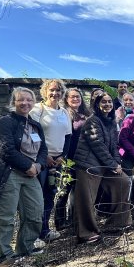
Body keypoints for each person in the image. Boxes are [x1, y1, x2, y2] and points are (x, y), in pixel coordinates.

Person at [0, 87, 48, 266]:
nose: (25, 103)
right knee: (5, 217)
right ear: (13, 102)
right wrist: (27, 166)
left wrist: (38, 165)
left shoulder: (35, 125)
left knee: (35, 213)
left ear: (34, 102)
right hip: (9, 174)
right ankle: (3, 257)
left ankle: (25, 249)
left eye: (29, 100)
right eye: (20, 100)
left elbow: (43, 150)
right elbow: (5, 149)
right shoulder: (5, 122)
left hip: (31, 175)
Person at [73, 92, 131, 243]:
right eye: (103, 102)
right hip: (88, 164)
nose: (107, 104)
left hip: (105, 164)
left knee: (123, 181)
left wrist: (117, 163)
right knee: (87, 198)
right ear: (97, 104)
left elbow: (114, 146)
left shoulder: (111, 122)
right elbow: (97, 145)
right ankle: (87, 232)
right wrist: (112, 164)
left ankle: (118, 221)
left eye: (109, 102)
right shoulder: (92, 121)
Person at [30, 79, 72, 242]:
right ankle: (33, 234)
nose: (55, 93)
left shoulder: (64, 113)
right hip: (41, 160)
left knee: (50, 194)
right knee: (37, 195)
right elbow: (32, 135)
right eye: (52, 90)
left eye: (58, 91)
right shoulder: (38, 110)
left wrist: (62, 156)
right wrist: (44, 155)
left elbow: (68, 136)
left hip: (57, 162)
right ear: (45, 92)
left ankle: (45, 230)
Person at [56, 88, 91, 229]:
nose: (75, 99)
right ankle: (59, 222)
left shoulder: (86, 114)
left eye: (78, 96)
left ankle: (73, 219)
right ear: (66, 99)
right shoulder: (64, 114)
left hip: (83, 158)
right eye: (72, 97)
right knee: (64, 191)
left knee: (78, 191)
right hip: (68, 158)